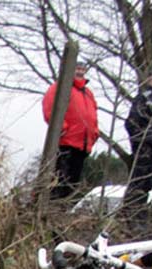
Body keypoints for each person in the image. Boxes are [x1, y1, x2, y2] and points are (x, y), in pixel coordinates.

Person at [42, 61, 99, 199]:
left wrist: (95, 133)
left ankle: (62, 211)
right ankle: (52, 208)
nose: (80, 72)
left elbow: (93, 114)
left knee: (72, 184)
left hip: (83, 144)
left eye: (82, 69)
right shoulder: (60, 87)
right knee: (59, 180)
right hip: (66, 141)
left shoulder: (88, 93)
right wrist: (62, 128)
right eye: (77, 69)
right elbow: (50, 108)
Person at [121, 67, 152, 225]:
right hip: (143, 148)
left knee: (148, 182)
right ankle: (130, 216)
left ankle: (140, 215)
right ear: (150, 78)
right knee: (138, 182)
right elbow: (132, 123)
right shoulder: (143, 98)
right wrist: (145, 141)